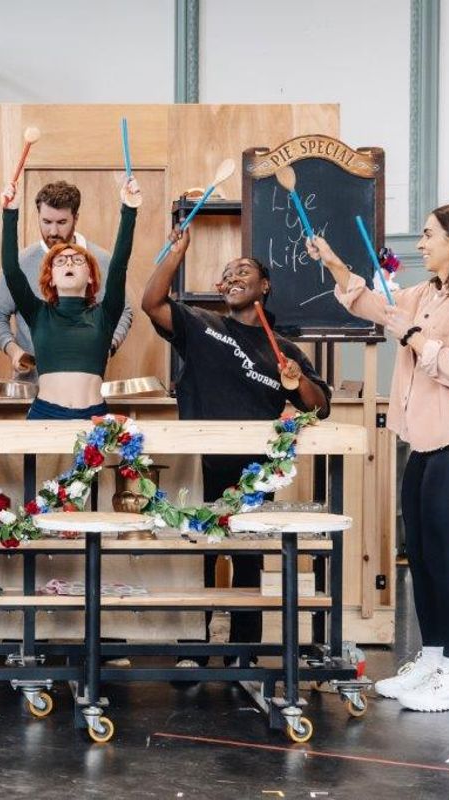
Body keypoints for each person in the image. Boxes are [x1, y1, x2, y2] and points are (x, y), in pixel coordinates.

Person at [309, 204, 449, 712]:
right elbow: (372, 304)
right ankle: (433, 660)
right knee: (418, 558)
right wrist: (332, 261)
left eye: (428, 236)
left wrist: (414, 336)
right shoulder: (426, 294)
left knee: (442, 558)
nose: (420, 245)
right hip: (422, 442)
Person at [142, 228, 330, 660]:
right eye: (227, 273)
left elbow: (319, 409)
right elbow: (151, 302)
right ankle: (199, 647)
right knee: (203, 554)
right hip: (204, 463)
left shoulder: (283, 349)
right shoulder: (201, 325)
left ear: (264, 286)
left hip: (255, 469)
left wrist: (297, 382)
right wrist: (174, 254)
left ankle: (243, 651)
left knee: (247, 559)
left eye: (243, 270)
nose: (233, 276)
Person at [0, 177, 140, 420]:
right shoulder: (38, 314)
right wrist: (10, 214)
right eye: (60, 261)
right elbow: (11, 269)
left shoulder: (105, 314)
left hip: (94, 417)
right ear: (51, 277)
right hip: (46, 414)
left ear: (90, 276)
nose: (69, 263)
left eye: (77, 260)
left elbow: (119, 266)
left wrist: (129, 209)